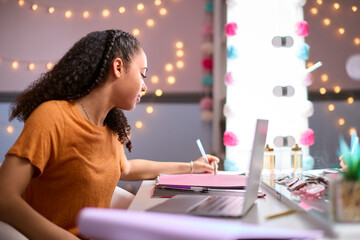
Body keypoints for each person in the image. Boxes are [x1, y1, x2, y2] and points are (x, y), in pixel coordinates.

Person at [0, 29, 219, 240]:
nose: (144, 87)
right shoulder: (52, 116)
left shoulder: (110, 127)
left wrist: (192, 166)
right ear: (117, 67)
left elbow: (127, 168)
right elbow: (5, 199)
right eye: (142, 75)